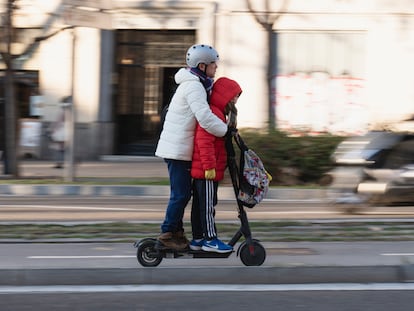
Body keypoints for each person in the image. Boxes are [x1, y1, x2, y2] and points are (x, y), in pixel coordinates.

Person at [154, 44, 229, 250]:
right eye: (214, 63)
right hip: (177, 150)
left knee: (183, 194)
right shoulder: (194, 86)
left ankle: (176, 233)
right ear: (202, 65)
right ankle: (167, 233)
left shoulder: (198, 83)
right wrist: (225, 130)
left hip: (180, 148)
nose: (216, 67)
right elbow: (204, 117)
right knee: (180, 194)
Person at [189, 77, 242, 253]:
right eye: (233, 96)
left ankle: (198, 239)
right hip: (207, 171)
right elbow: (204, 142)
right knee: (207, 207)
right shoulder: (214, 113)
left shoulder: (218, 113)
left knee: (200, 205)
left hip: (205, 170)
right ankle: (210, 240)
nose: (235, 100)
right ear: (224, 95)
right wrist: (210, 167)